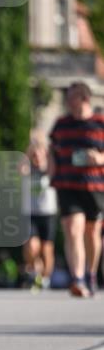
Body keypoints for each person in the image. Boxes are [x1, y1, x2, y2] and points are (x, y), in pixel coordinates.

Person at [48, 81, 104, 297]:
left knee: (92, 233)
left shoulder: (100, 122)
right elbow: (53, 150)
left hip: (95, 186)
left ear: (85, 99)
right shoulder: (61, 124)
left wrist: (100, 158)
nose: (67, 102)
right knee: (73, 229)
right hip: (66, 183)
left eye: (71, 98)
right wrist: (51, 170)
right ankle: (77, 278)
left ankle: (90, 274)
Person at [21, 137, 57, 290]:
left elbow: (52, 163)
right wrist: (32, 144)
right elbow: (21, 164)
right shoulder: (27, 171)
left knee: (46, 249)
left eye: (39, 155)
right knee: (31, 246)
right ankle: (33, 269)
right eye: (34, 155)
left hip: (47, 213)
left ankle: (46, 277)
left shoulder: (49, 171)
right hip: (30, 213)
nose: (36, 157)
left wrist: (46, 147)